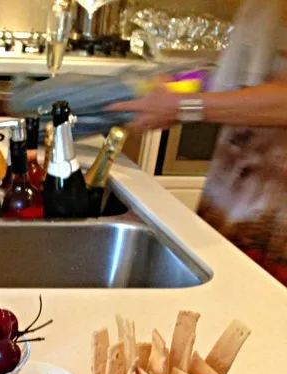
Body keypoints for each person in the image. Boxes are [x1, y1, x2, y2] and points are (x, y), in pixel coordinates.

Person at [109, 0, 287, 285]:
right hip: (234, 205)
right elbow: (237, 77)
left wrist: (184, 106)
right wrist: (184, 82)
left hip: (276, 223)